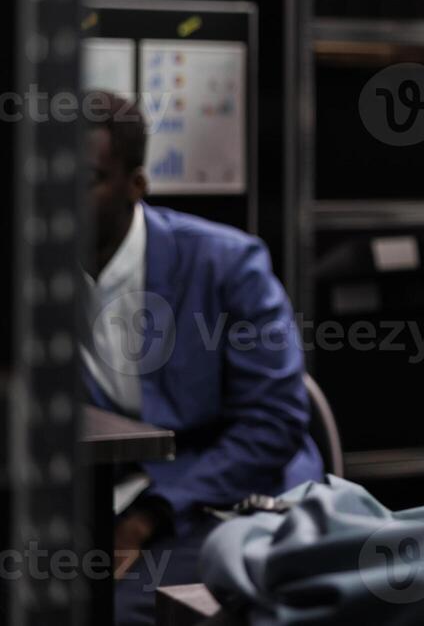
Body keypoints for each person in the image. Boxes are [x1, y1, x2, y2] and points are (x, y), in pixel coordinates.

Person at [83, 93, 323, 624]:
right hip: (110, 502)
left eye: (85, 181)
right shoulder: (35, 276)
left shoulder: (226, 263)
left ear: (135, 185)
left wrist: (150, 514)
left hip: (228, 499)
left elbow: (274, 422)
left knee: (114, 611)